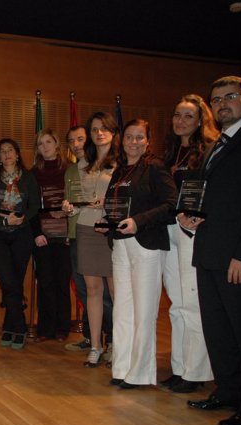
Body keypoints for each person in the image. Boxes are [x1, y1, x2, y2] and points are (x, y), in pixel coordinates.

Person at [180, 76, 241, 425]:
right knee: (219, 330)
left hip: (237, 259)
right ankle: (228, 391)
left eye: (230, 97)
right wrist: (192, 215)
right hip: (208, 251)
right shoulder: (217, 145)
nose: (223, 103)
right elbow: (213, 196)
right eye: (217, 99)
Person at [98, 119, 177, 389]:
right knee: (123, 309)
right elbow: (113, 206)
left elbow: (171, 204)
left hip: (146, 244)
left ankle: (140, 373)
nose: (133, 142)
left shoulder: (155, 167)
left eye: (139, 137)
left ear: (147, 141)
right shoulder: (121, 170)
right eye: (129, 137)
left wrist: (138, 221)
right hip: (121, 245)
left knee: (144, 313)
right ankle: (122, 368)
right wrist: (106, 223)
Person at [160, 95, 218, 393]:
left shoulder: (207, 153)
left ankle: (197, 372)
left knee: (192, 303)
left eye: (188, 116)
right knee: (176, 305)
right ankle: (180, 367)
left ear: (200, 121)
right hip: (169, 230)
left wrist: (199, 217)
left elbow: (215, 193)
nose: (181, 120)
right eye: (177, 115)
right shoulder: (169, 155)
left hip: (191, 232)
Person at [63, 112, 118, 367]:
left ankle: (117, 344)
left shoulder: (122, 163)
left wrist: (108, 203)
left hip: (110, 232)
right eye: (94, 129)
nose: (99, 133)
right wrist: (70, 208)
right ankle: (96, 346)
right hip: (86, 229)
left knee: (116, 294)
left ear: (112, 131)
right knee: (92, 292)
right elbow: (79, 201)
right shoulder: (84, 164)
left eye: (103, 128)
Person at [0, 138, 40, 350]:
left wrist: (22, 217)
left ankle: (8, 325)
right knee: (8, 281)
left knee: (14, 282)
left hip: (21, 236)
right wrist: (5, 220)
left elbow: (35, 205)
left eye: (10, 150)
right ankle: (20, 326)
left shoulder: (29, 178)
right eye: (2, 151)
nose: (6, 154)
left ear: (17, 154)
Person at [31, 128, 71, 342]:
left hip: (65, 236)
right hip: (42, 236)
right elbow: (30, 207)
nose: (45, 146)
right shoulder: (33, 173)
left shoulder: (69, 170)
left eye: (48, 142)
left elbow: (75, 202)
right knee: (45, 282)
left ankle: (63, 328)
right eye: (40, 143)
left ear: (57, 144)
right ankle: (45, 329)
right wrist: (37, 233)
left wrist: (69, 227)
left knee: (62, 282)